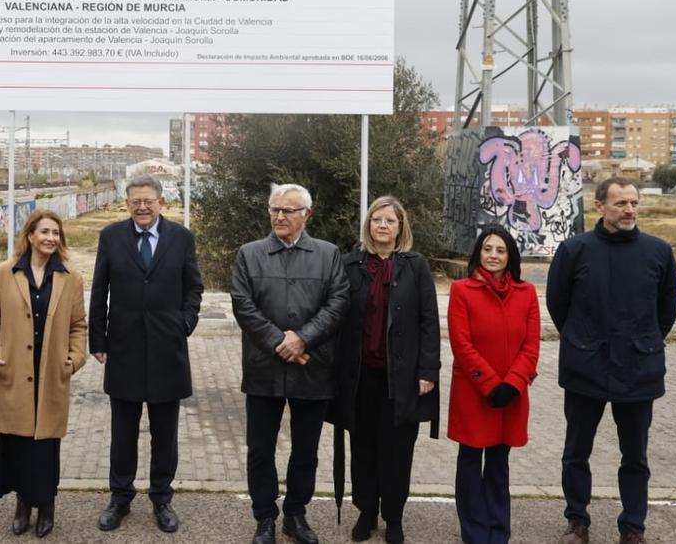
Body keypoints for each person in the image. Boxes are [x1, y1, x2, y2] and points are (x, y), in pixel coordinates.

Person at [547, 176, 676, 544]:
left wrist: (644, 341)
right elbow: (558, 303)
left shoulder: (658, 251)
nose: (630, 210)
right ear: (600, 206)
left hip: (639, 370)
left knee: (635, 457)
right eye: (621, 203)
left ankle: (633, 526)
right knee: (576, 452)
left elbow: (667, 309)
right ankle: (578, 521)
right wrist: (582, 339)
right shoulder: (575, 250)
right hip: (585, 368)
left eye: (634, 202)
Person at [230, 183, 348, 544]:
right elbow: (242, 305)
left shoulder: (328, 254)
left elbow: (339, 302)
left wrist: (303, 338)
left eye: (288, 211)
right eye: (274, 209)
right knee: (260, 450)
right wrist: (280, 341)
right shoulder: (249, 254)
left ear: (306, 215)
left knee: (306, 450)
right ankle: (265, 517)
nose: (279, 216)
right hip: (263, 368)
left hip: (312, 368)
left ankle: (295, 514)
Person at [89, 174, 204, 534]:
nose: (142, 206)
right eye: (135, 201)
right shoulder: (111, 237)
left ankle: (162, 498)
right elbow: (99, 289)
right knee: (123, 432)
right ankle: (120, 498)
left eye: (148, 200)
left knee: (164, 433)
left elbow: (194, 287)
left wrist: (184, 323)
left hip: (168, 350)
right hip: (123, 348)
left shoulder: (182, 238)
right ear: (127, 204)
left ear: (161, 202)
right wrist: (98, 340)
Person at [329, 196, 439, 544]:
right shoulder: (350, 263)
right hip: (361, 377)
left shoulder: (415, 266)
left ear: (400, 227)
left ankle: (393, 517)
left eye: (390, 221)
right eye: (377, 219)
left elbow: (428, 322)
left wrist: (428, 370)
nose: (382, 226)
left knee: (396, 451)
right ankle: (366, 511)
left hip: (401, 379)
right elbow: (338, 318)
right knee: (362, 447)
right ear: (368, 225)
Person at [0, 210, 87, 538]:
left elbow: (78, 325)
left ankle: (47, 507)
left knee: (45, 446)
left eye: (56, 233)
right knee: (18, 442)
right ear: (30, 235)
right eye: (44, 232)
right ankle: (22, 505)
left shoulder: (71, 277)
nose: (50, 238)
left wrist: (74, 359)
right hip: (16, 368)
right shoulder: (5, 273)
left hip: (52, 369)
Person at [447, 225, 540, 544]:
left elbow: (531, 345)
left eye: (500, 250)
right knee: (471, 463)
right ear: (478, 253)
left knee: (499, 465)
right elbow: (461, 343)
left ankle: (498, 530)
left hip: (511, 395)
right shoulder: (461, 290)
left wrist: (512, 383)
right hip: (474, 394)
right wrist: (489, 385)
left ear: (510, 256)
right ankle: (474, 531)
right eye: (487, 249)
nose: (493, 255)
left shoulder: (527, 293)